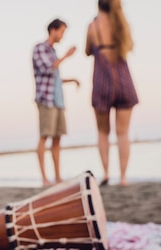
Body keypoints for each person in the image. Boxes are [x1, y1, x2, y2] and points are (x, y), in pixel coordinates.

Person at [85, 0, 138, 186]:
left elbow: (87, 51)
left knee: (102, 132)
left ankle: (106, 173)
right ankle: (123, 177)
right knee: (123, 133)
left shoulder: (92, 26)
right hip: (123, 80)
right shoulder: (122, 24)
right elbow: (129, 46)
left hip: (101, 81)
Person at [32, 18, 80, 187]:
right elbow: (47, 69)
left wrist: (71, 80)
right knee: (44, 136)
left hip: (58, 100)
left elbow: (55, 77)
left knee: (58, 138)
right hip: (46, 99)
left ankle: (58, 176)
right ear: (53, 30)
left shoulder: (52, 52)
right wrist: (66, 56)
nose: (62, 36)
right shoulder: (40, 49)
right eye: (62, 32)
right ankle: (44, 178)